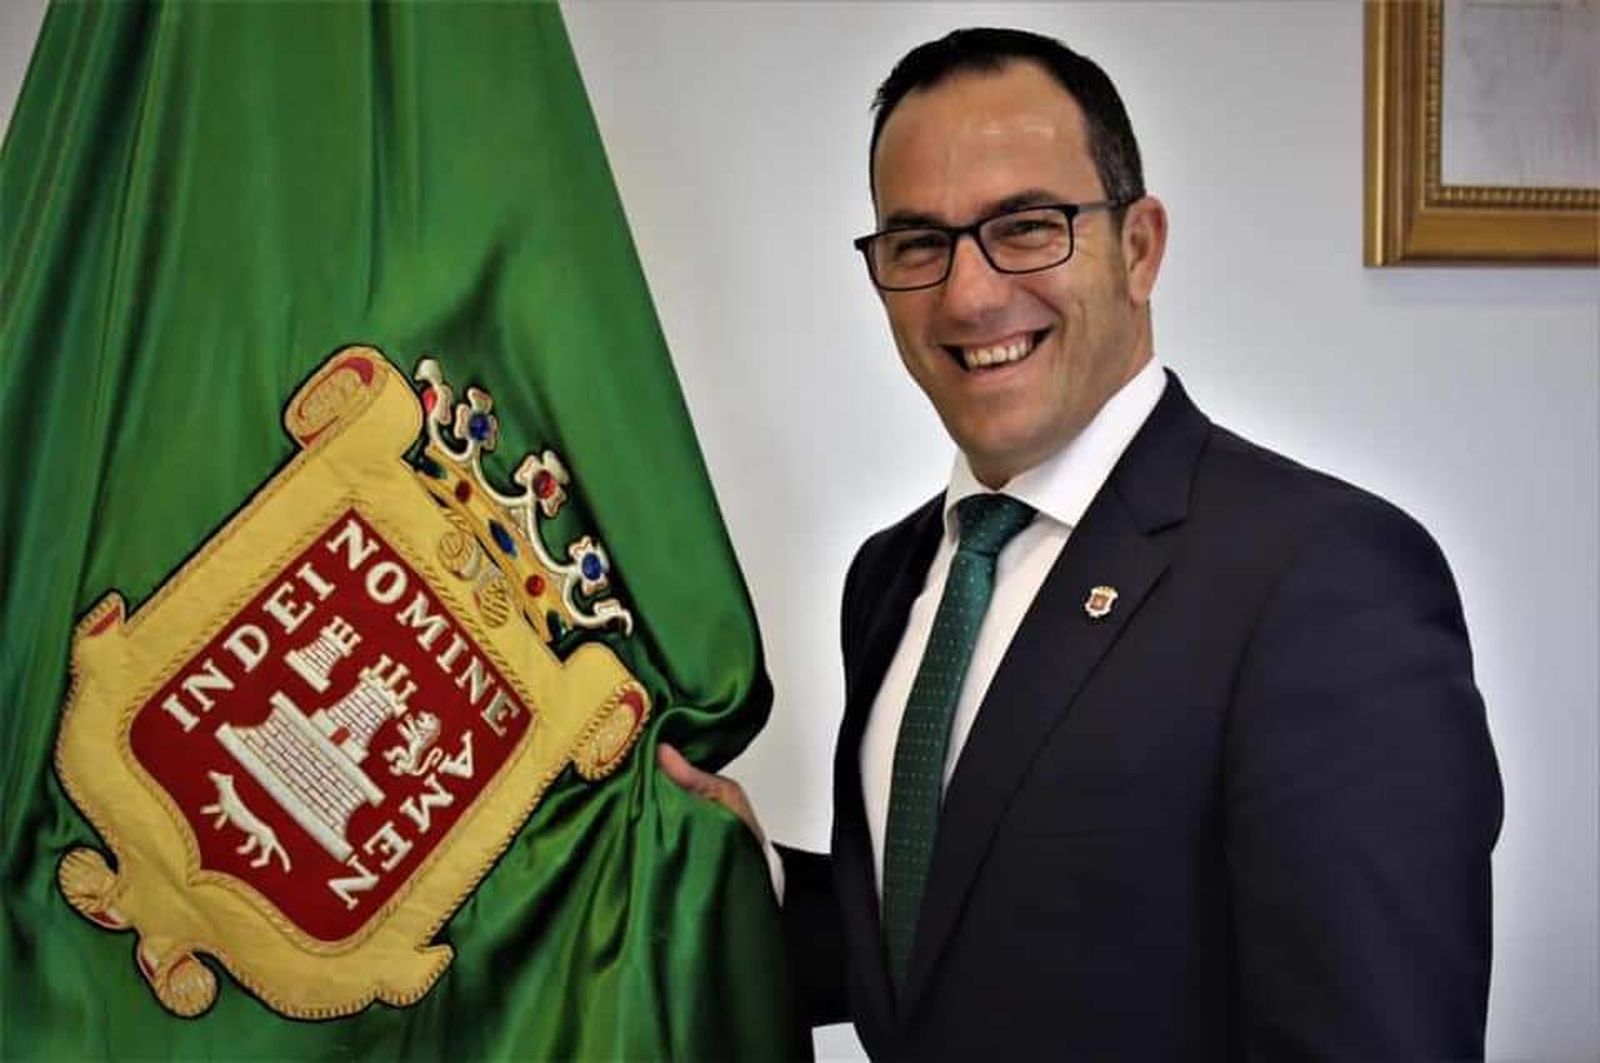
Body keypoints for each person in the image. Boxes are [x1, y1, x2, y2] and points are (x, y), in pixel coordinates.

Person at [660, 27, 1502, 1060]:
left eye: (1026, 227)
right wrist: (736, 877)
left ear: (1138, 247)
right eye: (918, 244)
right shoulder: (889, 575)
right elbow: (953, 947)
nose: (969, 294)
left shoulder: (1323, 577)